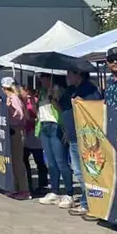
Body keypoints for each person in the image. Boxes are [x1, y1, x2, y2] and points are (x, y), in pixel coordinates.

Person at [58, 70, 101, 216]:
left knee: (87, 171)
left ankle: (88, 203)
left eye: (70, 74)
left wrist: (82, 102)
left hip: (85, 136)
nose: (67, 77)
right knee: (78, 170)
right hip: (72, 135)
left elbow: (96, 107)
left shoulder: (89, 89)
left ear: (79, 75)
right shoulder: (70, 90)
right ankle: (85, 201)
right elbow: (64, 109)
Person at [34, 73, 73, 208]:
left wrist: (53, 98)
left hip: (56, 125)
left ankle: (69, 193)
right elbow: (38, 111)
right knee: (50, 162)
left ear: (50, 77)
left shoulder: (59, 90)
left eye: (43, 77)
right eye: (40, 77)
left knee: (61, 161)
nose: (41, 80)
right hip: (44, 125)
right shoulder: (42, 92)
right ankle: (54, 191)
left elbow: (62, 110)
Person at [1, 77, 32, 200]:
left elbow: (19, 115)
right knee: (14, 161)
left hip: (16, 131)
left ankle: (24, 190)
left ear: (4, 88)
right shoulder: (14, 97)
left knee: (18, 162)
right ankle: (17, 188)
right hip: (14, 131)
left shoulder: (14, 98)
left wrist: (8, 108)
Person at [21, 85, 49, 194]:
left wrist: (31, 102)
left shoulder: (35, 101)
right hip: (26, 135)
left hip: (35, 134)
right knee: (24, 160)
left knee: (39, 161)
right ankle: (28, 183)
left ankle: (43, 184)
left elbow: (35, 116)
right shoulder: (22, 102)